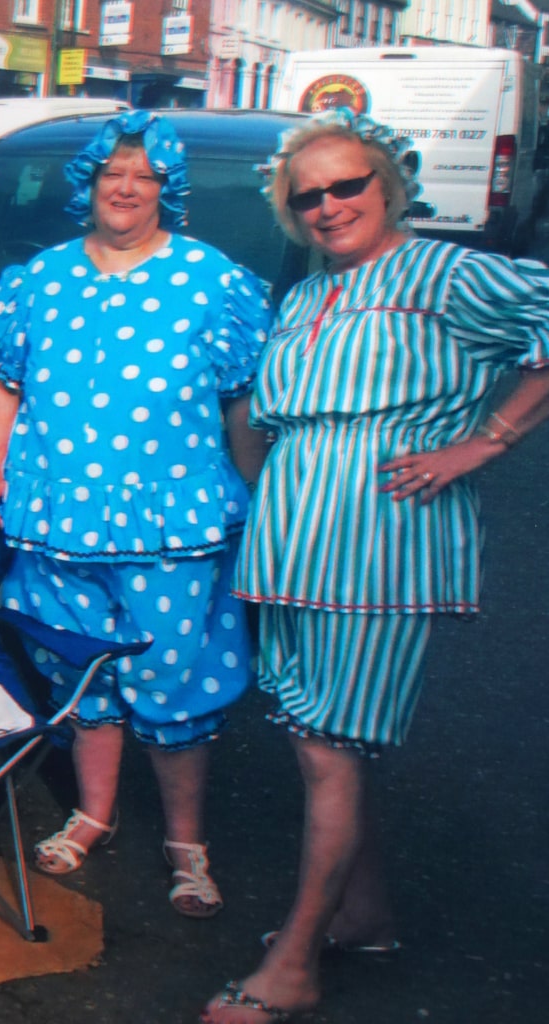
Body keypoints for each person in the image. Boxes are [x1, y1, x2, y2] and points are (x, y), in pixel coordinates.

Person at [200, 110, 549, 1022]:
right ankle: (364, 914)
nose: (327, 207)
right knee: (322, 746)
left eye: (346, 185)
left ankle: (297, 963)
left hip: (378, 553)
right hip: (289, 554)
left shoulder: (445, 272)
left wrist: (484, 442)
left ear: (387, 185)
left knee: (329, 754)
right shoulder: (307, 297)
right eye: (306, 195)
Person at [0, 110, 272, 919]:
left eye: (145, 177)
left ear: (165, 191)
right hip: (54, 516)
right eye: (113, 175)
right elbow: (5, 382)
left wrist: (257, 495)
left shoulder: (212, 282)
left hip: (173, 523)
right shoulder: (39, 281)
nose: (127, 189)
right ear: (91, 186)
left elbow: (240, 402)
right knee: (82, 673)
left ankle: (185, 844)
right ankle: (94, 814)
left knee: (175, 679)